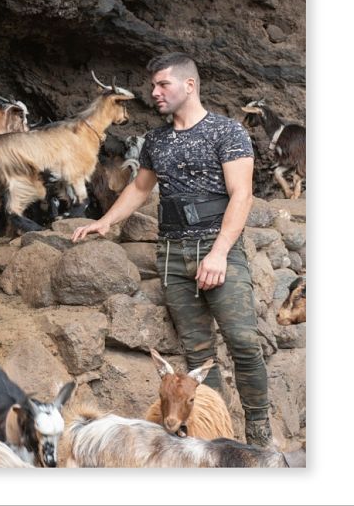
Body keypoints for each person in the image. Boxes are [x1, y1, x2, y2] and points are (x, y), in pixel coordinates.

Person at [71, 53, 272, 447]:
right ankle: (216, 437)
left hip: (219, 250)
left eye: (163, 84)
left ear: (189, 85)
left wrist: (218, 253)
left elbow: (242, 196)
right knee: (197, 354)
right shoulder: (157, 140)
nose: (154, 93)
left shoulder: (226, 132)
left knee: (244, 341)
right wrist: (105, 221)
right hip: (173, 253)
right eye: (153, 85)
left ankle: (260, 435)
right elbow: (141, 188)